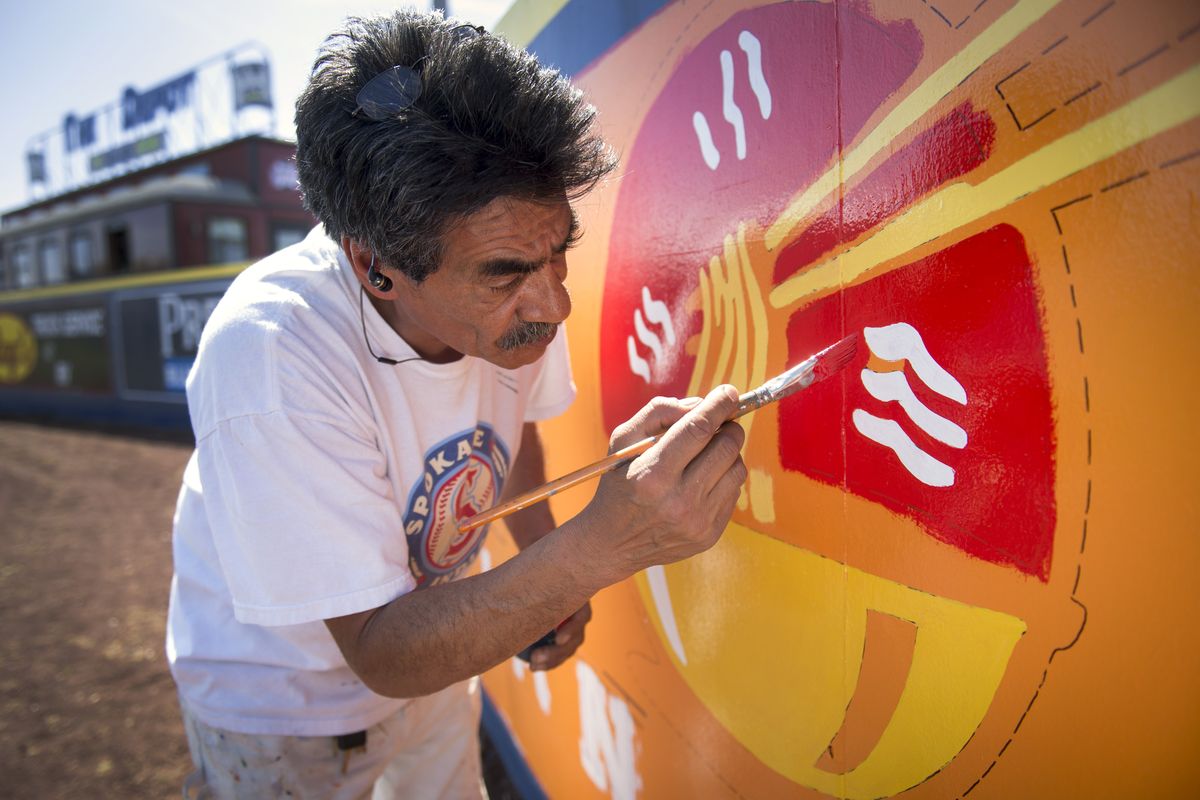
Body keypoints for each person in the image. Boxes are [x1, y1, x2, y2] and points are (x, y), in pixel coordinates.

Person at [166, 10, 747, 799]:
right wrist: (599, 549)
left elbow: (510, 446)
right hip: (287, 714)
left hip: (435, 656)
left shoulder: (518, 295)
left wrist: (550, 578)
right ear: (375, 268)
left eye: (560, 252)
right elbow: (380, 649)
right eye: (507, 272)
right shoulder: (272, 353)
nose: (555, 304)